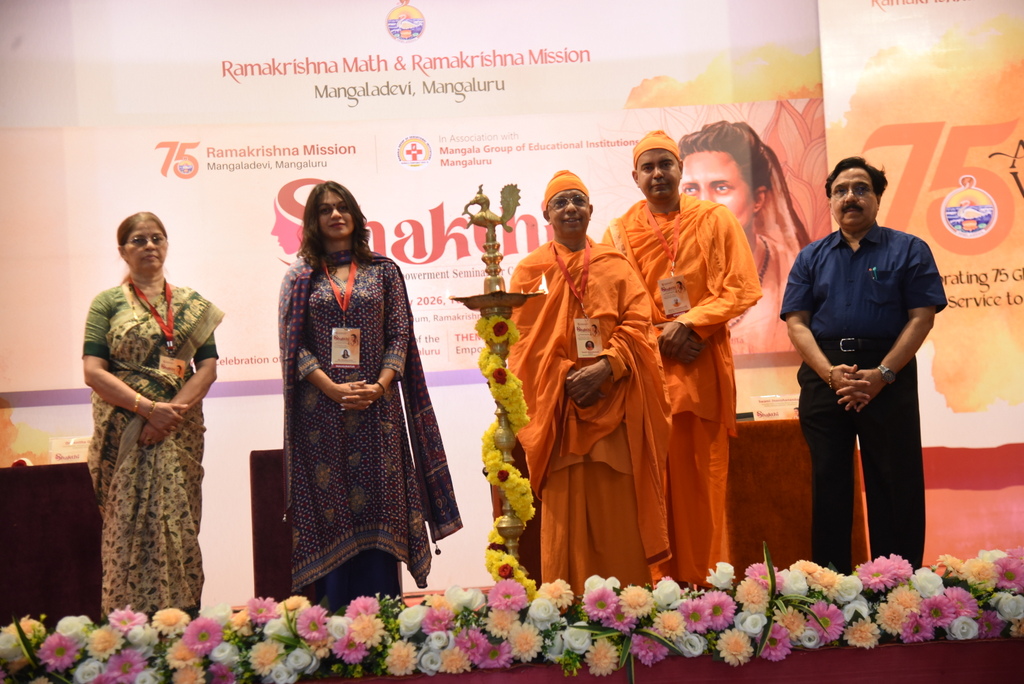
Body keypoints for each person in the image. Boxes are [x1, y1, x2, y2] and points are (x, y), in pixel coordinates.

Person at [278, 181, 462, 610]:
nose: (335, 215)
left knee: (382, 509)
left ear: (356, 216)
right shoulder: (300, 277)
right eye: (325, 210)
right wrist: (330, 387)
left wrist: (379, 385)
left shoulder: (383, 271)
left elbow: (399, 335)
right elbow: (293, 346)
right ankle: (333, 623)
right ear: (313, 221)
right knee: (331, 512)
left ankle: (383, 621)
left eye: (343, 207)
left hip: (378, 413)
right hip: (321, 416)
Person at [603, 131, 762, 586]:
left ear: (680, 169)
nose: (657, 174)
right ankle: (658, 587)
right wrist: (661, 337)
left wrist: (691, 324)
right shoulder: (617, 232)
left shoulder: (714, 219)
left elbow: (743, 287)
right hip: (647, 375)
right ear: (635, 177)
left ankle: (707, 584)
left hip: (701, 366)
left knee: (702, 482)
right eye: (648, 167)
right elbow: (611, 306)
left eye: (665, 165)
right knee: (653, 484)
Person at [509, 170, 672, 592]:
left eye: (578, 200)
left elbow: (640, 325)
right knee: (566, 514)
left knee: (617, 512)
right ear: (546, 214)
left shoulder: (615, 265)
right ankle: (566, 603)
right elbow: (520, 345)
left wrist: (607, 365)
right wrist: (564, 377)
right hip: (560, 410)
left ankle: (629, 605)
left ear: (591, 209)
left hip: (613, 401)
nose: (570, 209)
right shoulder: (530, 272)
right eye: (560, 202)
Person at [781, 157, 946, 574]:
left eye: (860, 188)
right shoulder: (810, 257)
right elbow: (797, 323)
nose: (850, 197)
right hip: (825, 375)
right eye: (840, 190)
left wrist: (882, 374)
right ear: (830, 201)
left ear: (877, 197)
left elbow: (921, 318)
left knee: (895, 483)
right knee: (829, 484)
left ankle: (898, 587)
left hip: (888, 373)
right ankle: (830, 588)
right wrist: (829, 373)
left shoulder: (909, 249)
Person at [83, 211, 224, 614]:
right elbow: (93, 371)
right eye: (138, 240)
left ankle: (183, 623)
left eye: (156, 238)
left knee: (178, 526)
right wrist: (147, 409)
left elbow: (208, 368)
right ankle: (128, 628)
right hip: (125, 430)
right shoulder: (107, 303)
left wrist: (168, 416)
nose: (149, 246)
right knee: (126, 527)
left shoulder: (191, 303)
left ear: (166, 244)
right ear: (122, 251)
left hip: (178, 431)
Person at [678, 121, 811, 354]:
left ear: (757, 199)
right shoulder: (669, 267)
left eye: (721, 187)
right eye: (691, 189)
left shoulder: (791, 269)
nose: (704, 204)